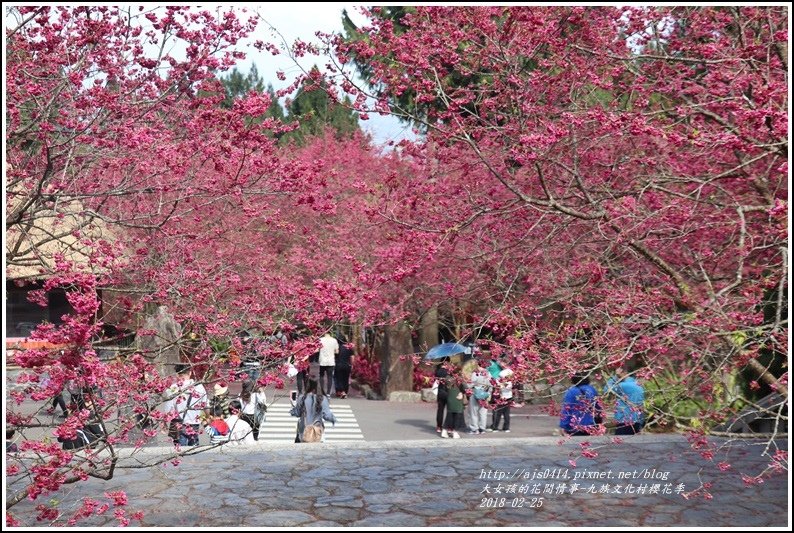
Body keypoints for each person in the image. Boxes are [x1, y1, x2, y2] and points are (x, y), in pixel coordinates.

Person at [163, 364, 208, 447]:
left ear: (177, 374)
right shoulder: (199, 387)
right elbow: (205, 405)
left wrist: (164, 422)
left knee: (179, 450)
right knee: (193, 450)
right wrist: (209, 418)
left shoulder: (173, 388)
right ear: (190, 373)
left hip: (177, 423)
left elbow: (168, 408)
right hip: (194, 422)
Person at [290, 379, 336, 443]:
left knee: (302, 451)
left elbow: (297, 413)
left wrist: (292, 405)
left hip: (303, 431)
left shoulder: (302, 398)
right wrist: (333, 419)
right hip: (317, 431)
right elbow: (327, 416)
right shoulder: (322, 398)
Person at [560, 372, 604, 436]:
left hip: (575, 426)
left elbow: (566, 410)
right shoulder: (592, 390)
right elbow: (598, 407)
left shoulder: (571, 391)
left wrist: (564, 426)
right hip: (591, 425)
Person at [605, 367, 646, 435]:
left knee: (621, 443)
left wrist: (615, 376)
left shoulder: (624, 385)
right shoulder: (638, 385)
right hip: (637, 419)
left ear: (624, 373)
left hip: (625, 419)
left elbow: (607, 390)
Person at [466, 361, 490, 434]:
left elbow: (469, 385)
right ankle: (482, 428)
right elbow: (491, 385)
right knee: (483, 412)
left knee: (474, 412)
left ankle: (474, 428)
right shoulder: (488, 374)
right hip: (485, 394)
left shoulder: (475, 374)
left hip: (475, 394)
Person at [490, 368, 514, 432]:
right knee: (498, 413)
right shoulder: (500, 381)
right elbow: (497, 384)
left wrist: (499, 384)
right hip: (500, 397)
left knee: (506, 414)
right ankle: (495, 427)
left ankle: (506, 427)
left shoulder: (510, 382)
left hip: (507, 397)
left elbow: (504, 386)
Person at [442, 375, 465, 439]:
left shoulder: (447, 380)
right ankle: (455, 432)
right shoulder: (458, 381)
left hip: (450, 400)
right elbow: (465, 388)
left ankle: (444, 430)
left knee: (449, 416)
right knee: (457, 416)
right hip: (457, 401)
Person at [318, 332, 339, 397]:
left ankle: (322, 391)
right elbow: (337, 351)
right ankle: (328, 393)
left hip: (322, 361)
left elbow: (317, 349)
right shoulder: (334, 340)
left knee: (321, 376)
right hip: (331, 361)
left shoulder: (320, 340)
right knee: (330, 377)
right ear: (331, 333)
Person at [434, 357, 451, 433]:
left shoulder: (438, 370)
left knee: (440, 410)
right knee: (449, 410)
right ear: (447, 362)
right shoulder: (449, 371)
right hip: (449, 392)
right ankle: (448, 427)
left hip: (440, 392)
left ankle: (439, 426)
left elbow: (436, 379)